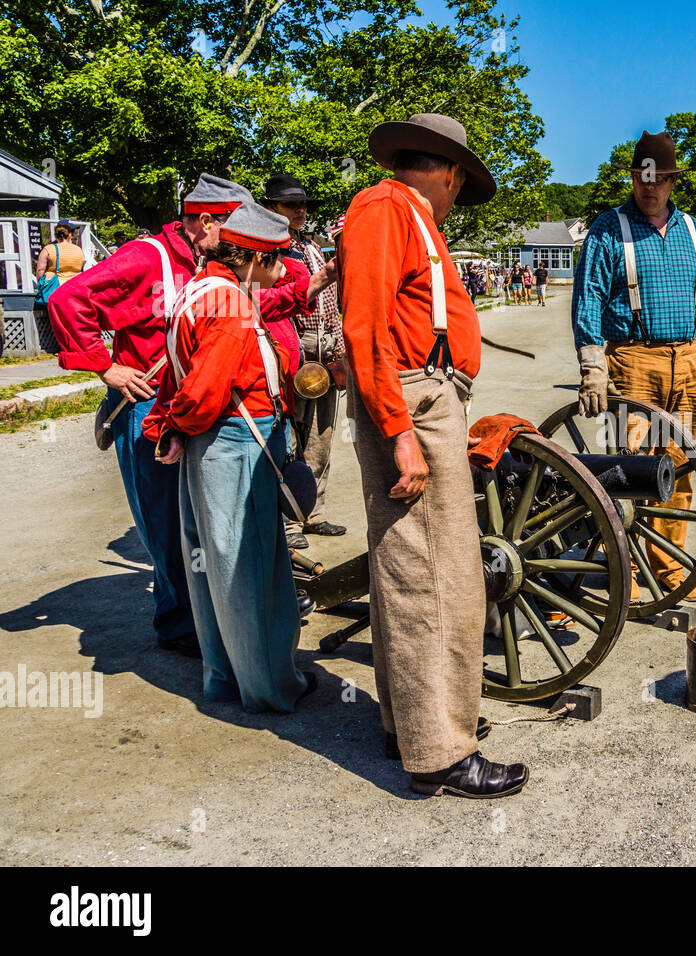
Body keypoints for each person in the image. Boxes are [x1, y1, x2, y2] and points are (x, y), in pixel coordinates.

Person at [49, 173, 334, 657]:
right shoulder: (146, 257)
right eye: (234, 224)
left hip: (195, 405)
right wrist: (106, 367)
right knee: (166, 524)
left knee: (207, 523)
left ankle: (217, 618)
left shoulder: (207, 263)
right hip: (148, 406)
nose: (242, 236)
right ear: (205, 222)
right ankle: (182, 626)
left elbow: (251, 306)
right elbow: (66, 299)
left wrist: (309, 287)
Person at [338, 112, 528, 798]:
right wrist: (398, 432)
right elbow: (364, 326)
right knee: (433, 578)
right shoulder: (384, 207)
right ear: (448, 173)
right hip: (414, 402)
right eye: (458, 185)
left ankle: (413, 725)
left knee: (416, 572)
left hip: (423, 396)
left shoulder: (402, 214)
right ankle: (440, 754)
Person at [144, 203, 314, 713]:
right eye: (279, 255)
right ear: (255, 256)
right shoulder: (230, 306)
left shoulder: (197, 288)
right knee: (250, 568)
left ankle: (224, 678)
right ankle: (270, 687)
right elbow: (202, 391)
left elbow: (179, 378)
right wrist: (177, 422)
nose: (285, 265)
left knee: (212, 568)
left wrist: (169, 427)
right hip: (238, 439)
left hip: (210, 441)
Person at [571, 129, 696, 603]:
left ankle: (670, 569)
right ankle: (629, 572)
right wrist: (593, 365)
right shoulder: (607, 229)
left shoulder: (694, 230)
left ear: (672, 182)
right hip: (633, 360)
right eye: (642, 177)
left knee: (678, 473)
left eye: (658, 179)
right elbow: (588, 298)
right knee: (634, 470)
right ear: (635, 178)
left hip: (689, 359)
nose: (649, 187)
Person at [263, 172, 348, 549]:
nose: (299, 210)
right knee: (291, 439)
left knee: (322, 437)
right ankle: (289, 521)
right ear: (271, 208)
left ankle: (313, 511)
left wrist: (341, 350)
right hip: (292, 345)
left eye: (302, 204)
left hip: (325, 346)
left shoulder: (311, 246)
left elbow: (330, 302)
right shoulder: (267, 249)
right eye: (290, 204)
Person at [35, 220, 86, 297]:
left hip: (56, 288)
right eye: (72, 231)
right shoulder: (79, 249)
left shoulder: (48, 249)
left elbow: (40, 270)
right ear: (68, 234)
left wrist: (41, 285)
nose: (73, 234)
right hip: (76, 287)